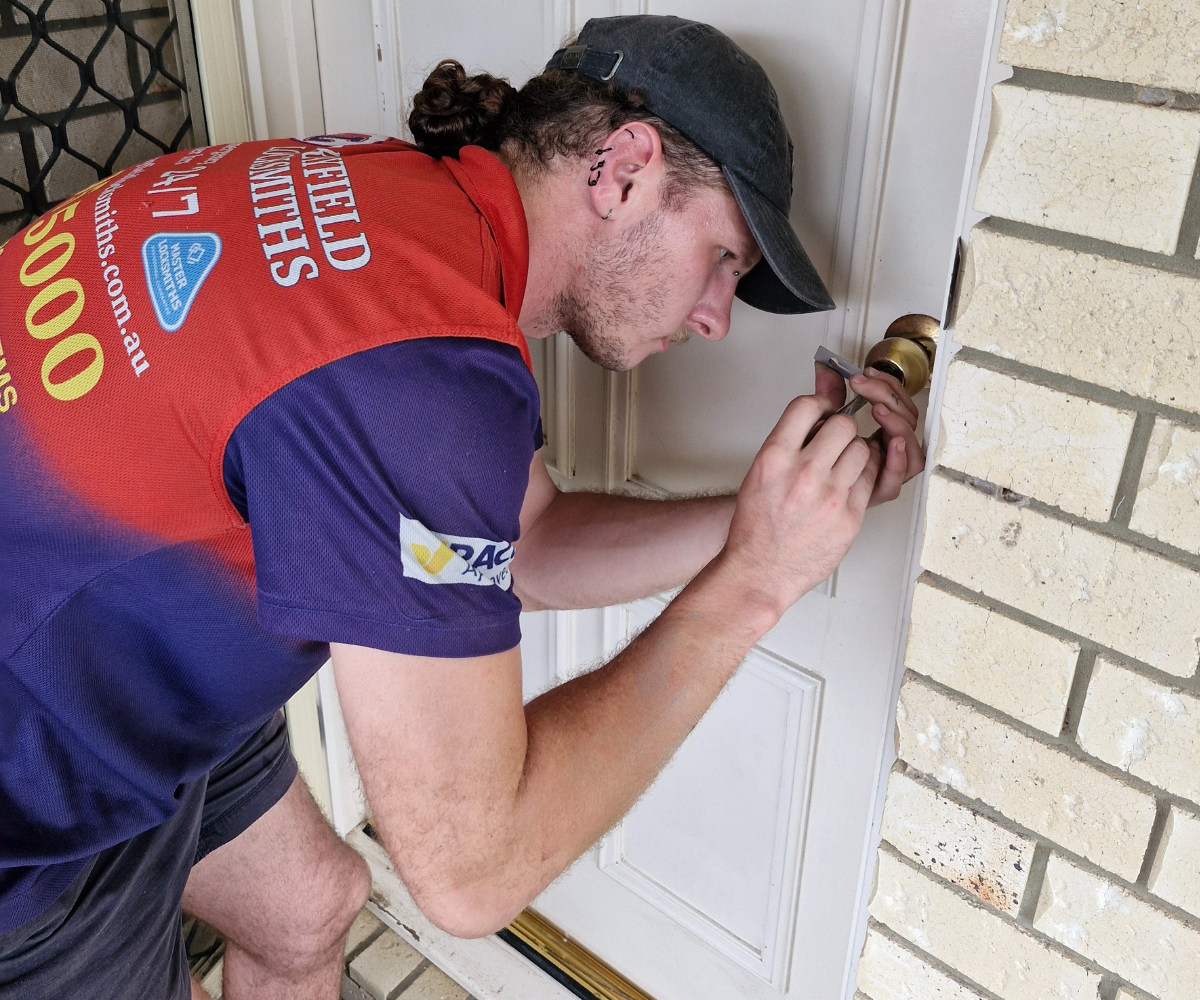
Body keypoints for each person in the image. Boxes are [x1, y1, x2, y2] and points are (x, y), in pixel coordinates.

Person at [0, 14, 924, 1000]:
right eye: (724, 260)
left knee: (310, 908)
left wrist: (762, 523)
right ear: (623, 169)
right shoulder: (421, 373)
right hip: (30, 790)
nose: (714, 318)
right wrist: (754, 586)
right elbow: (472, 871)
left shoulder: (389, 201)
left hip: (107, 652)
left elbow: (527, 541)